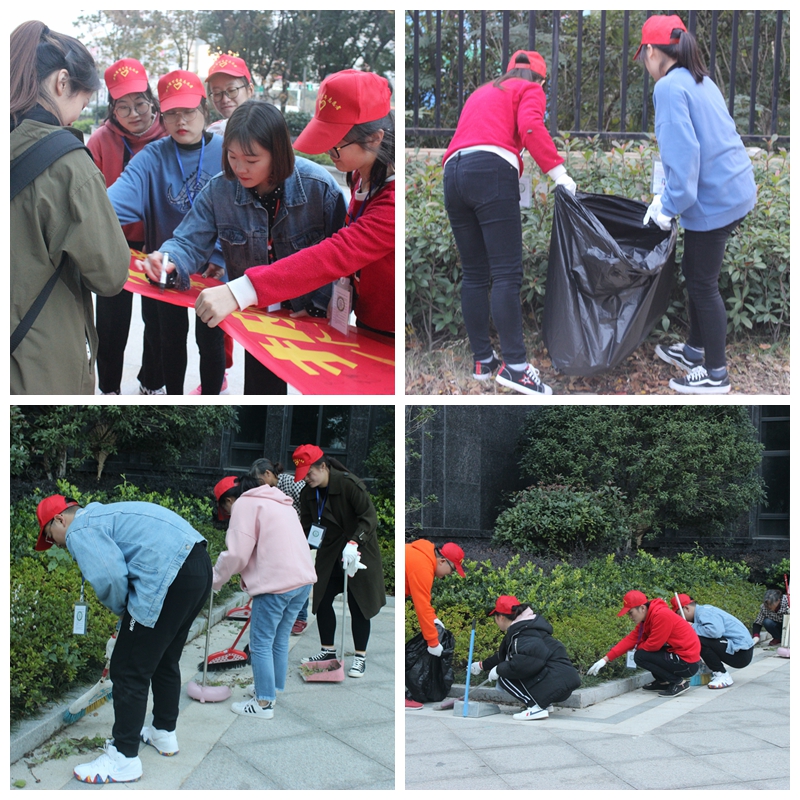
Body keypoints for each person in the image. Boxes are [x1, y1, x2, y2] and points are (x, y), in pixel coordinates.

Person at [140, 100, 346, 393]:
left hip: (312, 318)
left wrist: (319, 306)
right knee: (262, 395)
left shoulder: (318, 187)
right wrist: (168, 259)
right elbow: (188, 239)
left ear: (278, 154)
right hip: (259, 315)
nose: (240, 169)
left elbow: (343, 255)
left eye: (251, 161)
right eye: (232, 157)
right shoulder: (219, 190)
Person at [195, 68, 395, 338]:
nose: (327, 151)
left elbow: (337, 253)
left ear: (374, 138)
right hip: (367, 318)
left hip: (389, 330)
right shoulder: (361, 175)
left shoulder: (391, 201)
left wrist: (241, 290)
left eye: (335, 145)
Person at [35, 494, 211, 783]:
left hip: (169, 574)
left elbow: (110, 577)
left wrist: (124, 613)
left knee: (128, 669)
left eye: (50, 537)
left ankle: (123, 758)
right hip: (198, 565)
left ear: (59, 519)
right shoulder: (107, 516)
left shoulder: (80, 528)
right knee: (165, 657)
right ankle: (163, 733)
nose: (56, 544)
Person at [441, 50, 577, 396]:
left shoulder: (483, 91)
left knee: (474, 273)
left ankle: (483, 361)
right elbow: (530, 127)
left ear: (508, 71)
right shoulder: (529, 89)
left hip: (452, 172)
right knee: (506, 273)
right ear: (541, 79)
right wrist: (560, 174)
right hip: (490, 171)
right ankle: (516, 368)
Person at [636, 15, 757, 395]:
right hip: (735, 189)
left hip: (714, 198)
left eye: (644, 56)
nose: (644, 65)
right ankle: (693, 351)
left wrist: (665, 206)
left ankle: (715, 373)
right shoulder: (699, 80)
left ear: (653, 51)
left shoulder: (670, 88)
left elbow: (684, 159)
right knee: (696, 272)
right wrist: (670, 199)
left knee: (702, 283)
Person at [11, 21, 130, 395]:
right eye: (81, 99)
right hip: (34, 362)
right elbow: (110, 274)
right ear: (62, 82)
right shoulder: (65, 162)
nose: (77, 113)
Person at [107, 69, 226, 395]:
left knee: (210, 342)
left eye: (188, 111)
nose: (180, 121)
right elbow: (109, 206)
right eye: (171, 113)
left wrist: (225, 259)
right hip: (166, 268)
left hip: (215, 273)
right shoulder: (151, 157)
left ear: (204, 109)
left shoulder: (230, 153)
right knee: (169, 341)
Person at [87, 58, 167, 396]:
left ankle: (151, 382)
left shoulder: (169, 136)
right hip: (115, 246)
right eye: (123, 107)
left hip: (159, 247)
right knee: (111, 323)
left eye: (140, 104)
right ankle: (108, 388)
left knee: (159, 323)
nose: (134, 113)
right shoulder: (100, 141)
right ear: (112, 110)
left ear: (152, 102)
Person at [211, 474, 317, 719]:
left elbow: (237, 554)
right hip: (302, 581)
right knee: (279, 639)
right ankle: (271, 688)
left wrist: (215, 579)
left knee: (260, 643)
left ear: (229, 500)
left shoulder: (245, 505)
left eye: (225, 508)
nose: (228, 513)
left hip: (276, 586)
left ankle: (264, 703)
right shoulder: (280, 501)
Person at [294, 444, 386, 678]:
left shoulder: (348, 484)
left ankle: (360, 657)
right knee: (322, 599)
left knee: (359, 606)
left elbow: (369, 518)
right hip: (330, 553)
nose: (306, 479)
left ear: (323, 467)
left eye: (310, 473)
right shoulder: (308, 493)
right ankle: (328, 652)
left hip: (358, 552)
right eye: (303, 475)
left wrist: (354, 542)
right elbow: (306, 526)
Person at [472, 595, 581, 720]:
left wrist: (498, 670)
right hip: (563, 682)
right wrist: (482, 665)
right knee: (509, 669)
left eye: (495, 618)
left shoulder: (523, 635)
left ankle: (536, 707)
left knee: (504, 677)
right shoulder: (526, 628)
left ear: (501, 617)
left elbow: (522, 664)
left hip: (557, 684)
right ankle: (544, 704)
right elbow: (507, 655)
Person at [587, 590, 701, 698]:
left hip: (687, 663)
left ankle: (679, 683)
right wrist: (605, 659)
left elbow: (653, 645)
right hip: (679, 656)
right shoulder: (647, 619)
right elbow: (631, 639)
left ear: (642, 608)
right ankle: (663, 682)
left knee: (641, 656)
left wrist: (638, 647)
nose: (630, 617)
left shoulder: (661, 615)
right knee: (643, 654)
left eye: (631, 613)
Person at [248, 458, 309, 634]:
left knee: (299, 575)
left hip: (298, 534)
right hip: (282, 537)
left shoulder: (292, 483)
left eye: (260, 481)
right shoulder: (269, 490)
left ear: (268, 473)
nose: (259, 486)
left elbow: (308, 506)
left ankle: (300, 617)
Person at [404, 539, 465, 709]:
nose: (448, 575)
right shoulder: (423, 567)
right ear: (442, 561)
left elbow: (424, 602)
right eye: (452, 570)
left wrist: (434, 619)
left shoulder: (422, 556)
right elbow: (421, 606)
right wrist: (432, 642)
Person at [671, 593, 754, 689]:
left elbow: (715, 632)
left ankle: (722, 675)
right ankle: (716, 672)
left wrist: (692, 627)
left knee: (699, 639)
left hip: (741, 652)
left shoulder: (704, 612)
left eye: (679, 614)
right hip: (740, 649)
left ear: (687, 608)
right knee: (700, 636)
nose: (680, 618)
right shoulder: (703, 612)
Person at [205, 53, 255, 136]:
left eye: (232, 90)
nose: (225, 99)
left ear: (250, 90)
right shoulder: (213, 133)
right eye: (217, 93)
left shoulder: (269, 128)